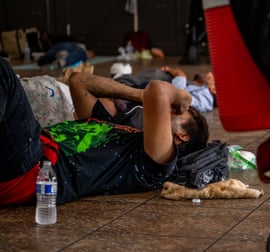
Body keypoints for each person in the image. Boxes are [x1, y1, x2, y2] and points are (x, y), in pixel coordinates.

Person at [0, 58, 209, 205]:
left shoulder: (159, 162)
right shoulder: (118, 129)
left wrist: (178, 95)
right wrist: (139, 94)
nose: (171, 108)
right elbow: (79, 81)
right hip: (27, 151)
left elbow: (158, 91)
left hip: (34, 169)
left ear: (182, 135)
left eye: (178, 112)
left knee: (3, 72)